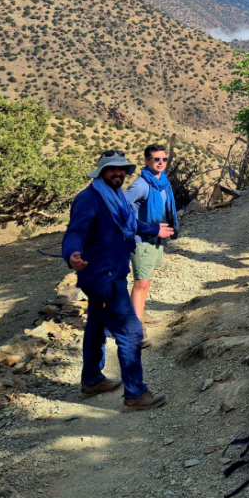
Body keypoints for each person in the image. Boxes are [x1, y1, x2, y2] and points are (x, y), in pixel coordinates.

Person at [61, 151, 174, 411]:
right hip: (104, 278)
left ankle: (92, 380)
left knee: (97, 326)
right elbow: (74, 232)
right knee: (131, 332)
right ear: (101, 171)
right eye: (112, 169)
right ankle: (135, 395)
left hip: (108, 275)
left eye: (122, 169)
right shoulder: (89, 199)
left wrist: (154, 228)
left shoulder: (114, 196)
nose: (118, 173)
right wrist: (72, 254)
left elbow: (130, 223)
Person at [123, 143, 179, 346]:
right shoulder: (141, 185)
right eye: (156, 159)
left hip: (156, 239)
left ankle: (138, 318)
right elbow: (121, 207)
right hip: (142, 240)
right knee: (141, 283)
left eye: (164, 159)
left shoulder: (162, 182)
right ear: (147, 161)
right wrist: (142, 227)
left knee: (145, 281)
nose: (161, 163)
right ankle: (135, 329)